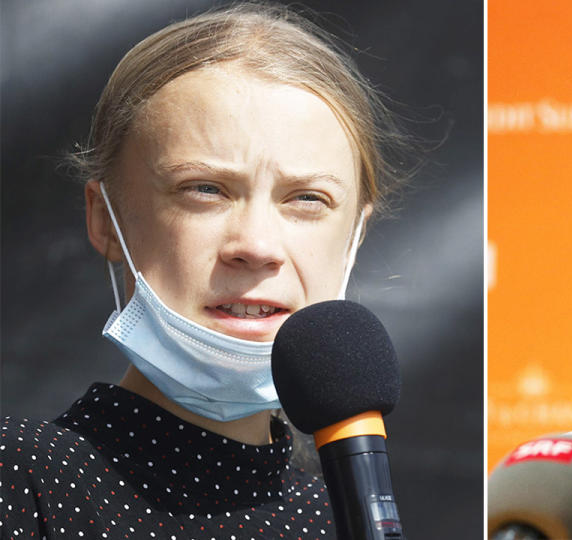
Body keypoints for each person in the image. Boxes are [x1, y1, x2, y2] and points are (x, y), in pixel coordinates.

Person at [1, 4, 412, 537]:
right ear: (105, 218)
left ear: (355, 233)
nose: (258, 246)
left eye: (307, 199)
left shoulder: (346, 517)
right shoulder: (20, 479)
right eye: (205, 189)